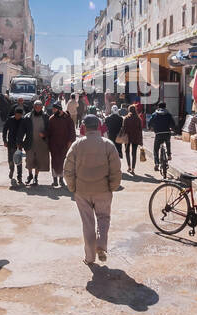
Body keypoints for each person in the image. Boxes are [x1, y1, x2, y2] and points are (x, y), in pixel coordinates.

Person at [64, 114, 122, 266]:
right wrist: (113, 186)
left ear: (84, 126)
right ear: (98, 126)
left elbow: (67, 169)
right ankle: (101, 245)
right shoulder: (108, 144)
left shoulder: (77, 145)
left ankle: (89, 257)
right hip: (103, 190)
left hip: (82, 191)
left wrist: (72, 187)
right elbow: (116, 169)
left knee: (87, 223)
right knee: (103, 218)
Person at [47, 102, 76, 188]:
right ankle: (55, 180)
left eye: (54, 109)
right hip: (54, 144)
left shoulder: (67, 118)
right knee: (54, 161)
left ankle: (61, 179)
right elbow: (49, 132)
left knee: (63, 161)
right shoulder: (51, 119)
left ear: (59, 109)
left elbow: (72, 131)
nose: (53, 111)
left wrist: (70, 141)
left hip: (64, 144)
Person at [2, 105, 30, 187]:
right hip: (10, 143)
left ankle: (19, 177)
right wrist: (4, 140)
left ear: (22, 115)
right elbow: (4, 130)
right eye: (17, 115)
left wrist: (24, 142)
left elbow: (27, 132)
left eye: (20, 115)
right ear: (14, 114)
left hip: (19, 144)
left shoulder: (23, 121)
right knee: (10, 159)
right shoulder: (10, 120)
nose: (18, 116)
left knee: (18, 161)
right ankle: (11, 170)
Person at [146, 102, 177, 172]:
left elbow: (149, 123)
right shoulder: (168, 114)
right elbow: (173, 124)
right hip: (167, 133)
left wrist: (149, 128)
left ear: (158, 107)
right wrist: (173, 128)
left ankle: (157, 163)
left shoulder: (154, 114)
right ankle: (169, 155)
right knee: (168, 143)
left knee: (155, 150)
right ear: (165, 107)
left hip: (158, 133)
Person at [27, 100, 51, 186]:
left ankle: (36, 178)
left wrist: (44, 134)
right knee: (29, 160)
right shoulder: (28, 116)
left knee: (38, 161)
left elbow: (49, 129)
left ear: (42, 107)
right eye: (36, 107)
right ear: (34, 107)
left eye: (40, 107)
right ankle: (30, 175)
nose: (38, 108)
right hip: (30, 142)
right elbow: (23, 129)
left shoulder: (45, 117)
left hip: (41, 143)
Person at [121, 102, 144, 174]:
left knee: (127, 152)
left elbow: (123, 129)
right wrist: (141, 140)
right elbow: (140, 130)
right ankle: (133, 168)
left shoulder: (126, 118)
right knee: (134, 153)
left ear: (129, 110)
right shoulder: (138, 119)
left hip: (127, 138)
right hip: (135, 137)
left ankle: (129, 167)